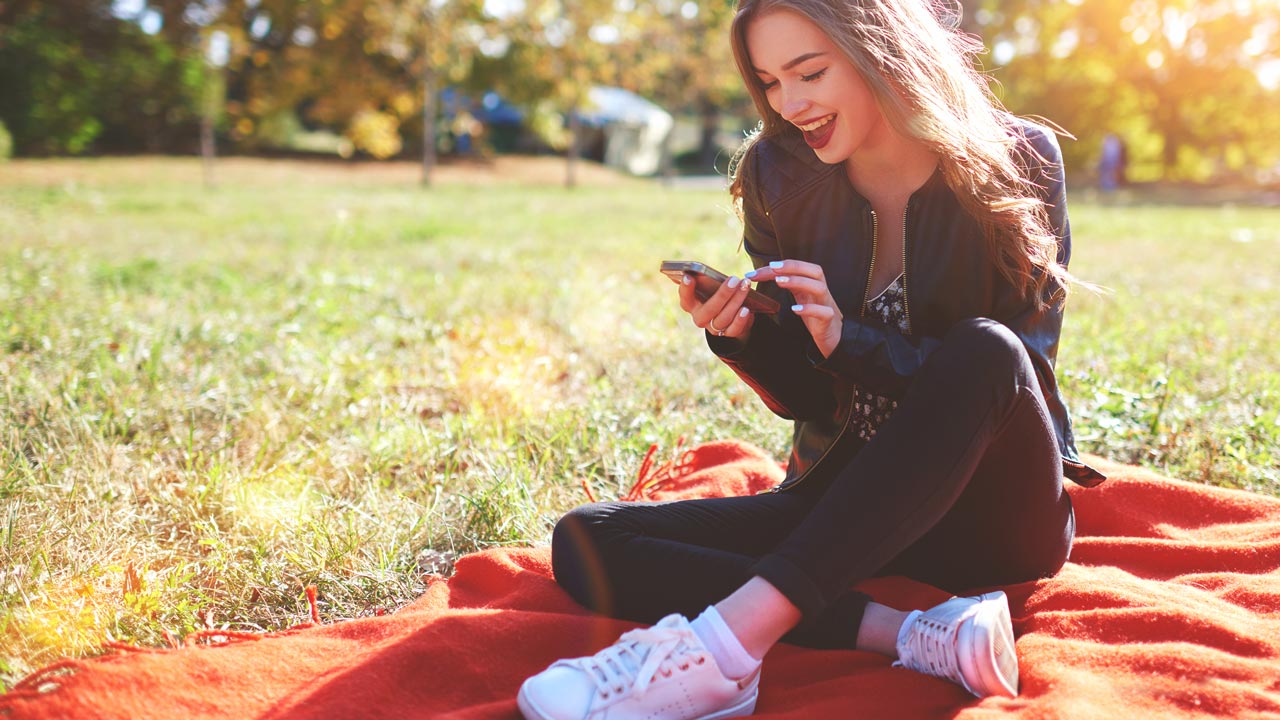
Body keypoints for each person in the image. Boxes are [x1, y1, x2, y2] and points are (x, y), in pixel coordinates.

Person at [517, 0, 1106, 718]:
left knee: (985, 346)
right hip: (841, 506)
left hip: (990, 520)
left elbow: (1020, 377)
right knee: (589, 538)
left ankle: (724, 653)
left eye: (809, 73)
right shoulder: (779, 174)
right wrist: (744, 338)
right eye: (769, 82)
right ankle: (911, 633)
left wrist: (849, 342)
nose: (788, 105)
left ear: (880, 51)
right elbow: (807, 401)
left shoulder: (1020, 159)